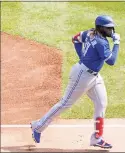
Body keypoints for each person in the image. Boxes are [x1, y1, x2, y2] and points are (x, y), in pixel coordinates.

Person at [30, 15, 120, 149]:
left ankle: (97, 138)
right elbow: (111, 61)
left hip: (94, 77)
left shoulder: (90, 33)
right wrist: (117, 43)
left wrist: (82, 56)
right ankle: (38, 126)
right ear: (101, 28)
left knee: (101, 103)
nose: (111, 30)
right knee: (65, 103)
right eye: (108, 28)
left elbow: (75, 39)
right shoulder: (101, 43)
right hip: (82, 75)